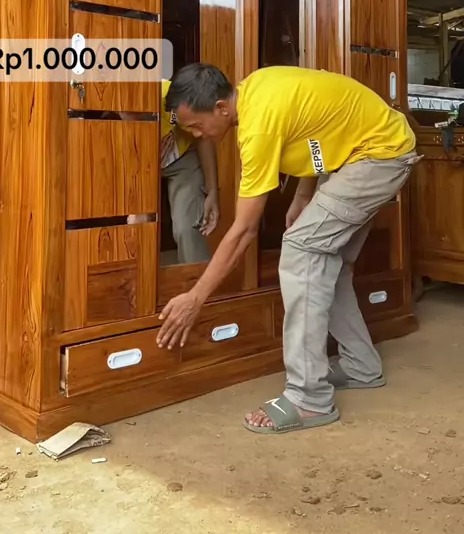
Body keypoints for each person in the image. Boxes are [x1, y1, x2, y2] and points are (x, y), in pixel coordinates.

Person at [155, 63, 421, 435]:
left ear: (220, 108)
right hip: (365, 152)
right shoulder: (256, 89)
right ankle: (361, 365)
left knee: (301, 251)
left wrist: (195, 298)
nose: (197, 135)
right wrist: (302, 195)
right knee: (327, 262)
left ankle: (309, 399)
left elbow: (244, 230)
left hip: (378, 156)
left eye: (197, 126)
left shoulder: (257, 126)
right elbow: (316, 134)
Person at [160, 79, 220, 264]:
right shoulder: (103, 108)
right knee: (137, 227)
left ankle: (197, 281)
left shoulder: (169, 95)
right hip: (136, 166)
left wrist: (212, 190)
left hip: (181, 157)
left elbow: (202, 136)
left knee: (187, 229)